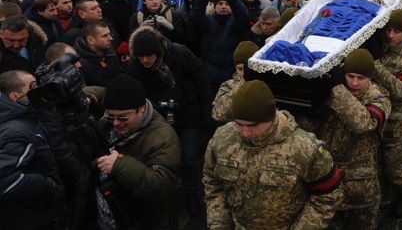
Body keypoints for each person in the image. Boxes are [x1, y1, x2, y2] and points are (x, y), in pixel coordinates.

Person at [203, 80, 343, 230]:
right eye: (238, 124)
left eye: (252, 125)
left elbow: (328, 195)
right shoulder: (222, 139)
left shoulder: (304, 148)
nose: (245, 132)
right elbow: (213, 183)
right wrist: (219, 225)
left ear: (270, 118)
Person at [126, 26, 213, 216]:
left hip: (187, 114)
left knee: (189, 158)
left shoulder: (179, 54)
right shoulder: (135, 68)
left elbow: (200, 77)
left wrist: (207, 110)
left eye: (149, 56)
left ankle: (192, 194)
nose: (145, 60)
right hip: (157, 120)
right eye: (141, 57)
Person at [305, 49, 391, 230]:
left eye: (361, 78)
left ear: (370, 78)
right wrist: (313, 113)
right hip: (328, 183)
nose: (354, 83)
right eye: (350, 76)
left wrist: (337, 88)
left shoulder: (380, 99)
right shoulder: (332, 94)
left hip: (360, 187)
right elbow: (308, 132)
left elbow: (364, 124)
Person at [96, 74, 182, 229]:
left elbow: (162, 186)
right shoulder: (110, 121)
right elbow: (99, 91)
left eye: (122, 117)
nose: (115, 123)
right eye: (110, 116)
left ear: (141, 109)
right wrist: (89, 97)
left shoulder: (163, 137)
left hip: (142, 220)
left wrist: (120, 165)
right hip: (107, 218)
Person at [0, 70, 66, 230]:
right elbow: (3, 181)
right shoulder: (17, 131)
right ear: (15, 97)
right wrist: (45, 186)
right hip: (32, 219)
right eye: (32, 87)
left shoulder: (27, 118)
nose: (39, 91)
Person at [372, 9, 402, 216]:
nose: (391, 35)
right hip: (376, 116)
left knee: (396, 168)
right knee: (376, 162)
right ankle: (384, 193)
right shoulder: (380, 48)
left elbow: (401, 90)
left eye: (397, 31)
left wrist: (376, 67)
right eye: (388, 30)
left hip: (397, 120)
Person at [211, 41, 259, 123]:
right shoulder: (229, 85)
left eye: (247, 69)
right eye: (240, 69)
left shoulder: (266, 83)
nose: (244, 73)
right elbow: (217, 114)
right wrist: (242, 85)